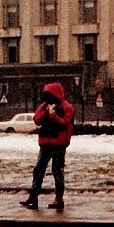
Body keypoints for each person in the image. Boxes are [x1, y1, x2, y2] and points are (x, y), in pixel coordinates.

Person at [20, 82, 75, 211]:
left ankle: (59, 198)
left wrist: (53, 116)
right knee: (38, 170)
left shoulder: (66, 107)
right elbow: (36, 120)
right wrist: (46, 112)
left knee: (57, 171)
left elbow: (65, 123)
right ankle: (33, 197)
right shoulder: (44, 106)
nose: (49, 99)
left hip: (59, 144)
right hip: (45, 143)